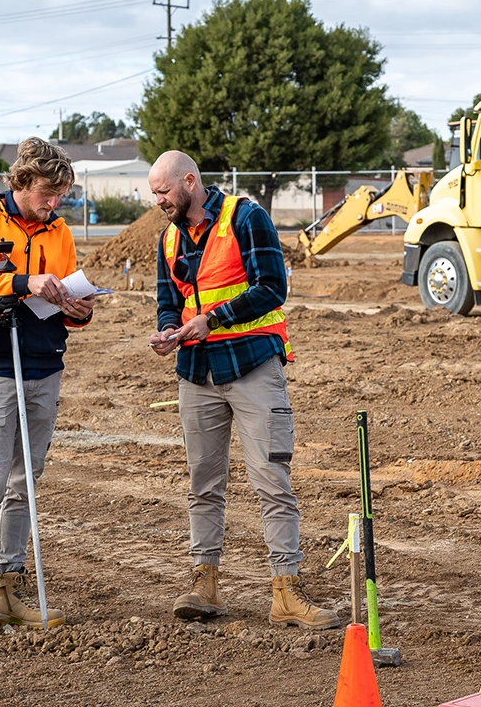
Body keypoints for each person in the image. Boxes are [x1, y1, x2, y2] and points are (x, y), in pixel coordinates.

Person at [147, 150, 339, 631]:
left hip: (253, 365)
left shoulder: (247, 217)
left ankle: (286, 591)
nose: (158, 202)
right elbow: (168, 301)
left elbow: (272, 289)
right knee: (202, 485)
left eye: (163, 192)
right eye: (153, 194)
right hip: (196, 373)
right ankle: (204, 582)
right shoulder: (169, 238)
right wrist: (169, 331)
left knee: (272, 481)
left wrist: (212, 320)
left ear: (189, 182)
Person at [0, 137, 96, 639]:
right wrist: (21, 282)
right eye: (48, 192)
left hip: (43, 366)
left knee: (24, 482)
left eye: (61, 194)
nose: (54, 203)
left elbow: (66, 296)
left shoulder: (62, 232)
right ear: (22, 183)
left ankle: (7, 590)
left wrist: (80, 311)